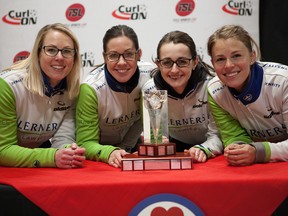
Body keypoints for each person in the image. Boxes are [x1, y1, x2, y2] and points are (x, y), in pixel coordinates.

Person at [0, 23, 86, 168]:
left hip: (33, 163)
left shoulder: (72, 90)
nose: (59, 57)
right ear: (38, 53)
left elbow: (63, 137)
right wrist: (52, 157)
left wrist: (68, 152)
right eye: (51, 50)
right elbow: (2, 150)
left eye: (67, 51)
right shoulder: (8, 86)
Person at [207, 24, 288, 166]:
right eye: (220, 59)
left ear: (252, 56)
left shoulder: (283, 81)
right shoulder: (215, 91)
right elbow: (234, 136)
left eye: (236, 56)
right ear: (212, 63)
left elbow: (256, 152)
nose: (228, 65)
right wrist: (237, 151)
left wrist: (258, 152)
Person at [76, 25, 154, 168]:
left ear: (139, 54)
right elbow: (85, 142)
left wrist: (125, 148)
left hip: (130, 147)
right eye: (113, 55)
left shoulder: (150, 76)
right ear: (105, 57)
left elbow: (143, 121)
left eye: (129, 54)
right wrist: (110, 152)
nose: (122, 62)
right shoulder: (91, 88)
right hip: (99, 153)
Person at [142, 31, 223, 162]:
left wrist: (203, 149)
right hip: (175, 150)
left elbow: (218, 135)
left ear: (195, 62)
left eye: (182, 61)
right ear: (158, 64)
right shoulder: (151, 90)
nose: (174, 70)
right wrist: (153, 141)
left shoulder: (212, 86)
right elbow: (156, 137)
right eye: (167, 62)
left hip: (208, 150)